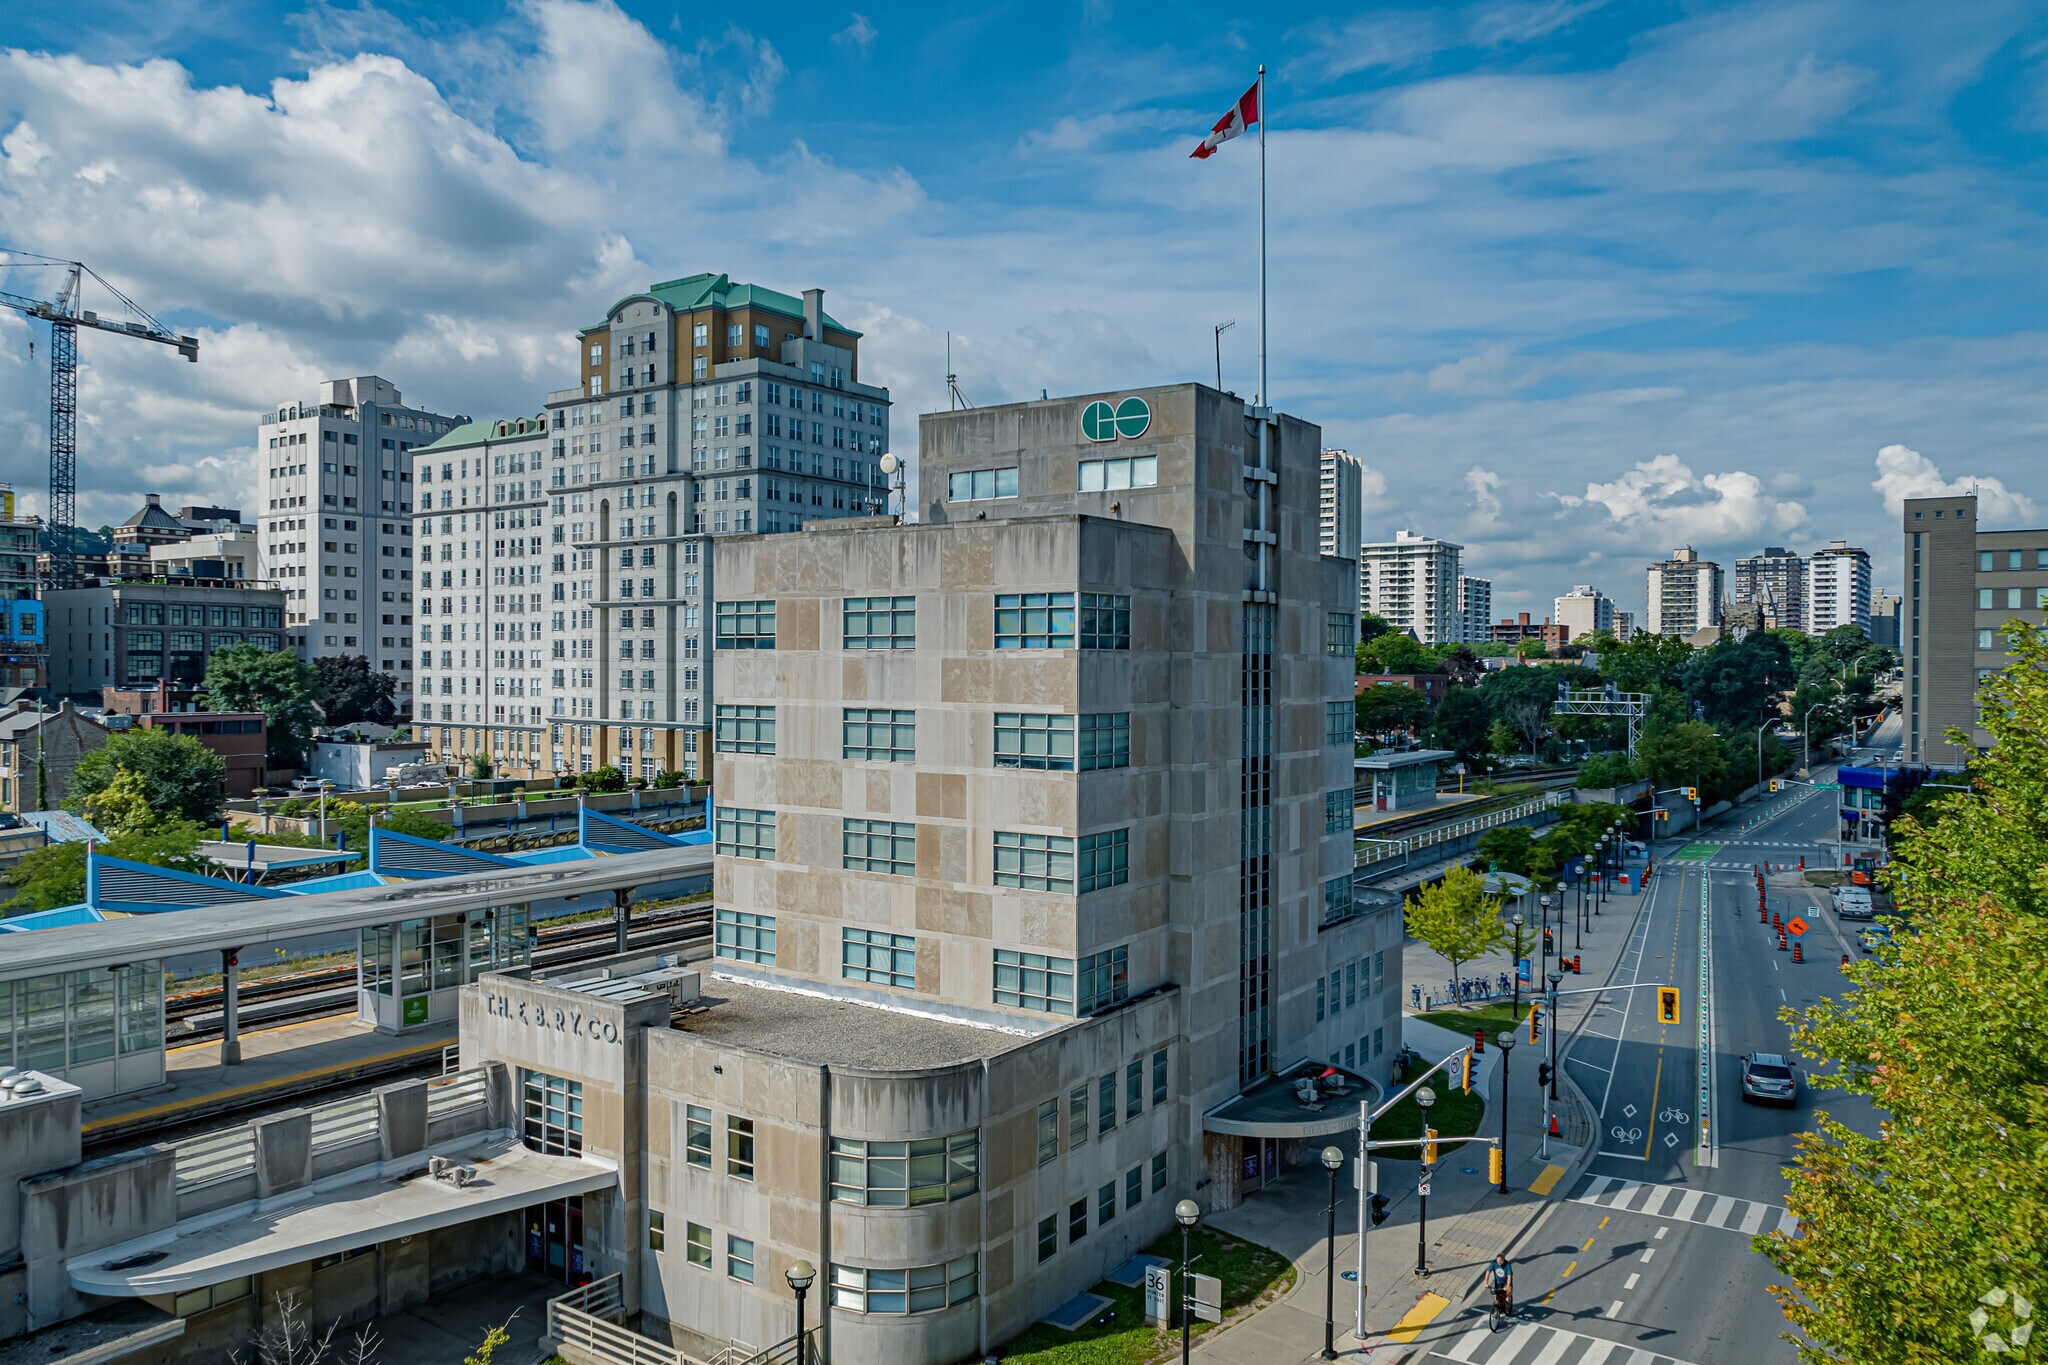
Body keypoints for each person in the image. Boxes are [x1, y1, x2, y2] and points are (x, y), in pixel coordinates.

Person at [1489, 1253, 1514, 1321]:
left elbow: (1509, 1276)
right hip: (1499, 1281)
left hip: (1506, 1281)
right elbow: (1488, 1272)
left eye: (1500, 1260)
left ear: (1503, 1260)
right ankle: (1496, 1311)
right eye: (1498, 1260)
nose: (1499, 1262)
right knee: (1496, 1295)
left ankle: (1508, 1302)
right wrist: (1486, 1283)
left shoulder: (1507, 1265)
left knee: (1508, 1291)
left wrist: (1508, 1286)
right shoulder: (1494, 1263)